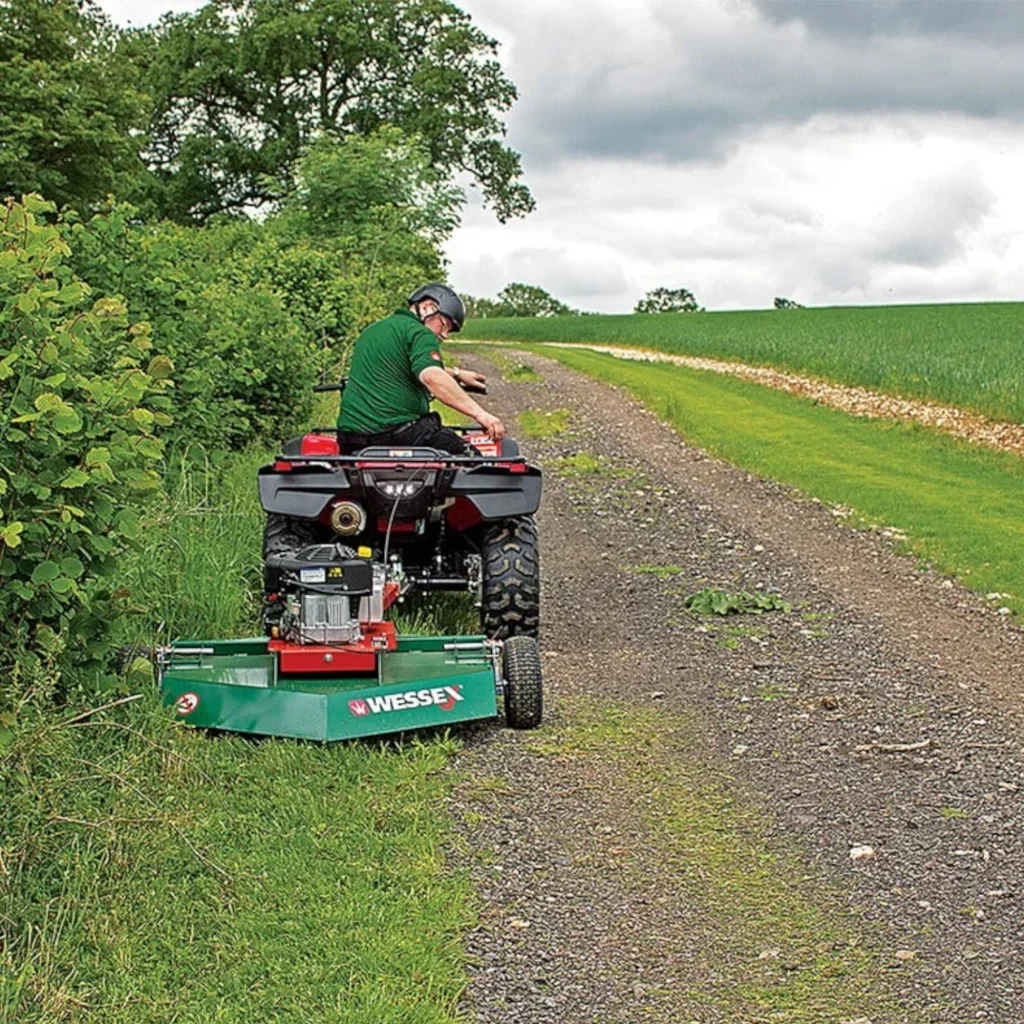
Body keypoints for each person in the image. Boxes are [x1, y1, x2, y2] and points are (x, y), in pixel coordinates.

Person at [337, 283, 505, 455]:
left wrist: (457, 374)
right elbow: (431, 377)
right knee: (472, 459)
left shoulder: (371, 331)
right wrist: (481, 415)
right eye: (444, 325)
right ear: (427, 308)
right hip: (397, 435)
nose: (445, 335)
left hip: (350, 439)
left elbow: (404, 364)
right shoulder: (419, 332)